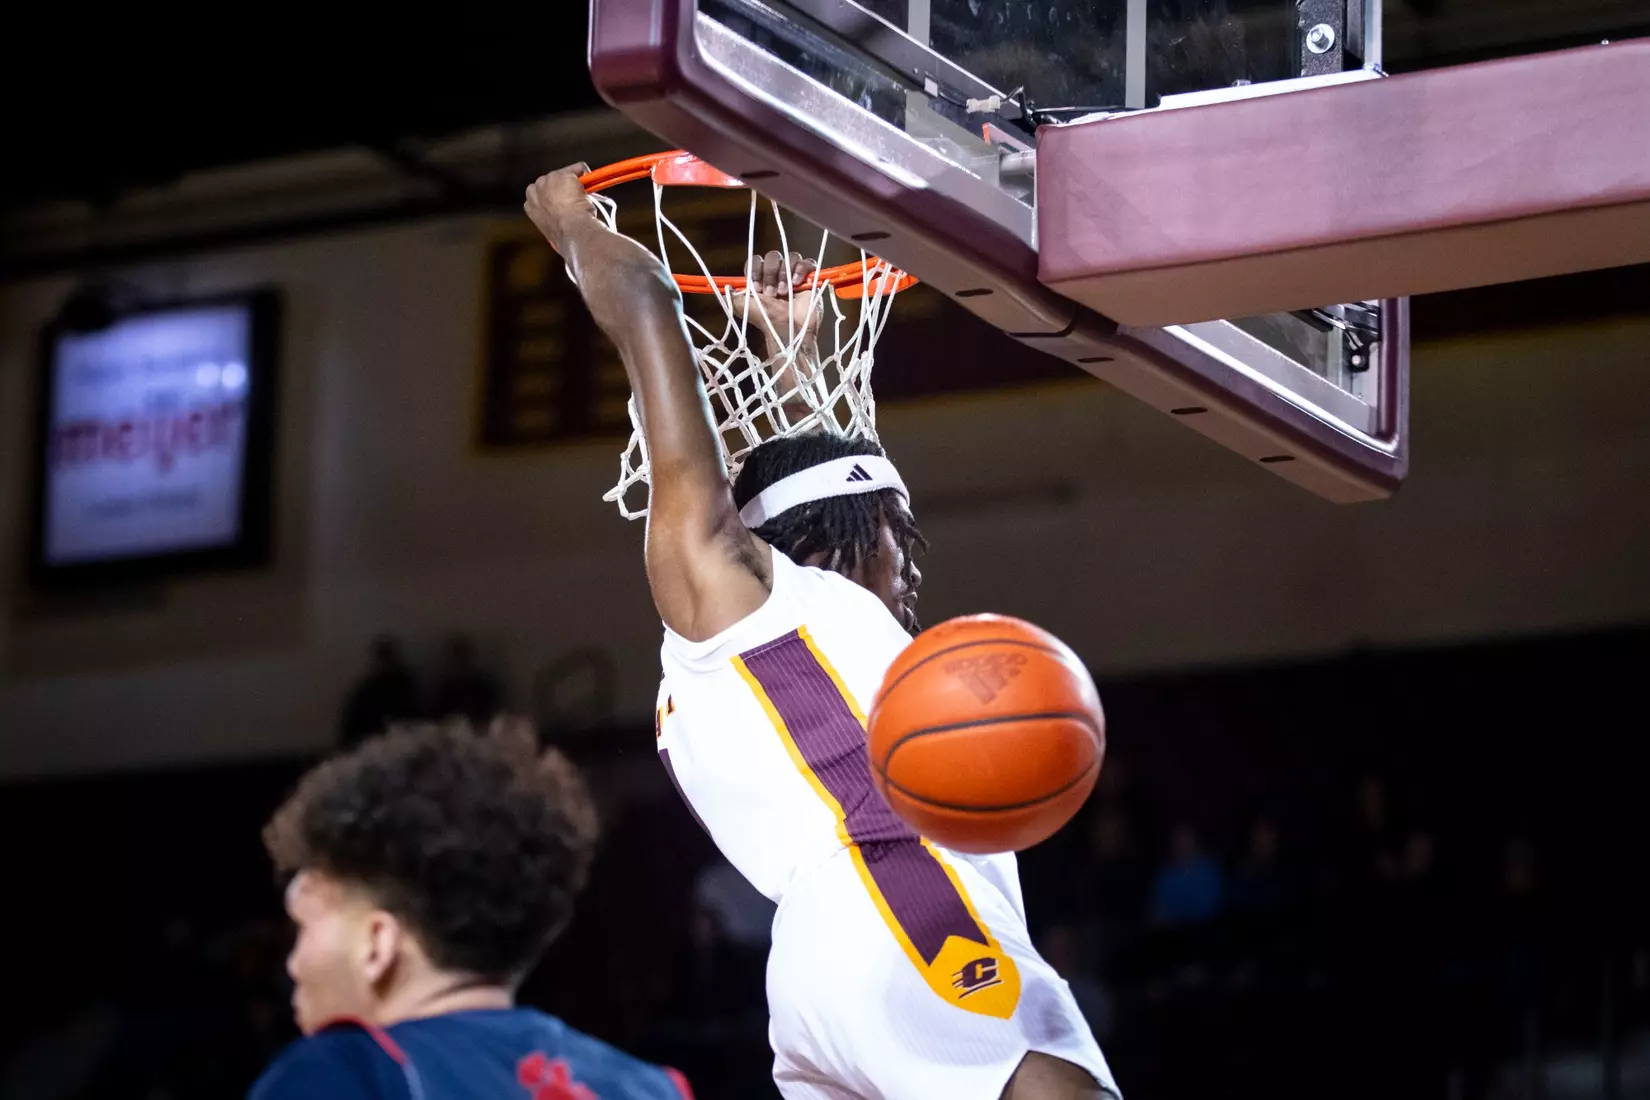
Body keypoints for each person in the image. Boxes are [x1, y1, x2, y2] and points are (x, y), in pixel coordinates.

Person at [526, 165, 1116, 1100]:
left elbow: (814, 500)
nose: (914, 567)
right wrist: (572, 228)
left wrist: (793, 356)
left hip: (817, 965)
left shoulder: (755, 646)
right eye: (897, 536)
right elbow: (647, 306)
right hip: (898, 894)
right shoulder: (745, 588)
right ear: (838, 538)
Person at [247, 718, 691, 1100]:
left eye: (301, 930)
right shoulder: (652, 1086)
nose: (293, 964)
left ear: (376, 944)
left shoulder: (341, 1073)